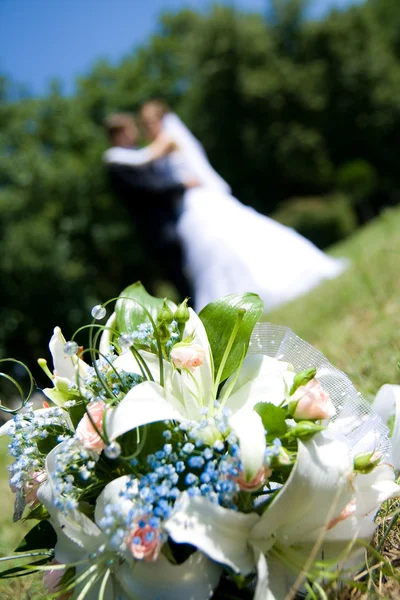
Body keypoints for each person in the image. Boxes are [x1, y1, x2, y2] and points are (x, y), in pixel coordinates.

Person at [104, 102, 349, 312]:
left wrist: (113, 156)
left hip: (198, 200)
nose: (146, 130)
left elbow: (142, 158)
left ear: (161, 121)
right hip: (186, 207)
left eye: (148, 124)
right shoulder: (157, 145)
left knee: (223, 241)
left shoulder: (166, 141)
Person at [103, 113, 193, 301]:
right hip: (158, 230)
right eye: (130, 129)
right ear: (118, 135)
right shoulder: (117, 165)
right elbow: (148, 188)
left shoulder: (136, 157)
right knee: (180, 278)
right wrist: (181, 185)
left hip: (172, 220)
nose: (135, 132)